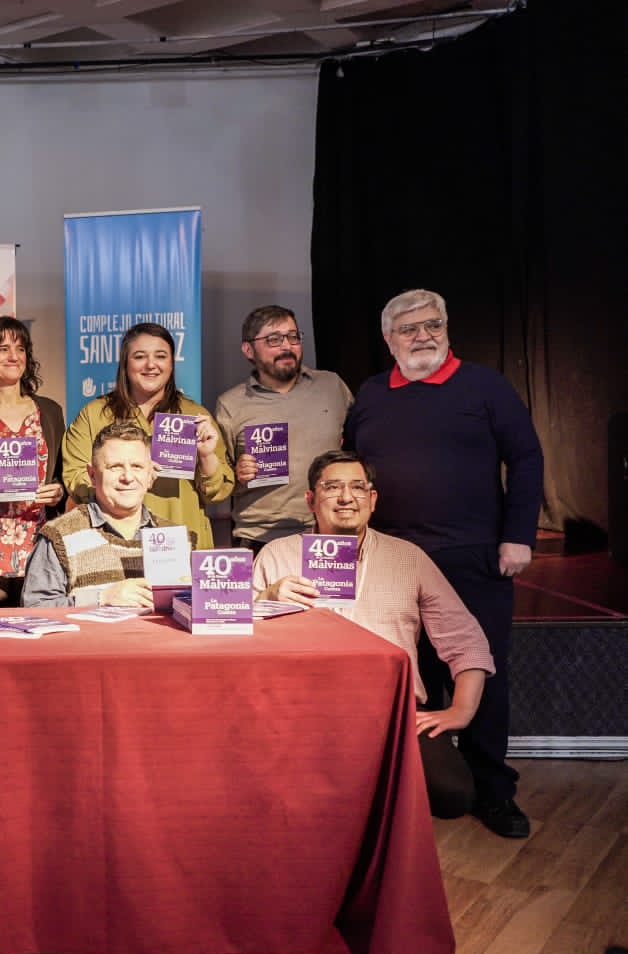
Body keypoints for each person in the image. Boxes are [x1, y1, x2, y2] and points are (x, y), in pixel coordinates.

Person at [343, 289, 544, 839]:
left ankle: (494, 791)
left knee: (480, 671)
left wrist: (518, 536)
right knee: (412, 674)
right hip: (391, 560)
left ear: (447, 327)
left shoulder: (485, 386)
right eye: (409, 329)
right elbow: (350, 465)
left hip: (472, 556)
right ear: (389, 339)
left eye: (433, 324)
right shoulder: (371, 394)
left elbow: (526, 457)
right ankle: (425, 786)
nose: (423, 336)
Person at [252, 450, 494, 820]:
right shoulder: (276, 554)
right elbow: (234, 633)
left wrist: (461, 710)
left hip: (392, 709)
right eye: (332, 487)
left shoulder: (408, 558)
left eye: (357, 487)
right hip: (303, 709)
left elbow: (466, 639)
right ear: (311, 500)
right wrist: (266, 599)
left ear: (373, 499)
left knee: (452, 793)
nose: (346, 498)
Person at [63, 322, 233, 549]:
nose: (151, 364)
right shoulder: (94, 415)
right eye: (140, 356)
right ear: (125, 363)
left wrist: (206, 456)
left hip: (182, 538)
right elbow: (75, 478)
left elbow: (218, 492)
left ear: (171, 364)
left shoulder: (195, 416)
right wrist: (125, 483)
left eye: (160, 356)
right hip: (113, 542)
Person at [214, 305, 353, 552]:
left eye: (293, 337)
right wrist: (238, 475)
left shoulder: (332, 386)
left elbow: (359, 452)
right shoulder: (231, 404)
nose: (287, 346)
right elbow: (217, 482)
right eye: (274, 340)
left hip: (330, 531)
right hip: (259, 538)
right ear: (248, 349)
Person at [0, 317, 66, 608]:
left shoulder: (50, 412)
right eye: (3, 349)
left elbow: (61, 475)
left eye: (20, 348)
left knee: (40, 634)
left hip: (39, 547)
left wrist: (58, 491)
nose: (13, 356)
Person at [22, 422, 161, 609]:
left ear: (150, 475)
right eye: (115, 467)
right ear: (92, 475)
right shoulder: (58, 536)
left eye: (137, 466)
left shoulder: (176, 537)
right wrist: (100, 598)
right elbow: (34, 609)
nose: (127, 477)